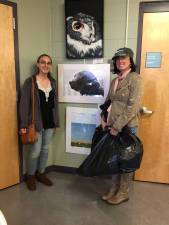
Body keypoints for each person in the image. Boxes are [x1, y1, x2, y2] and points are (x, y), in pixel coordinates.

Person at [101, 47, 143, 205]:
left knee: (126, 160)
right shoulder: (115, 80)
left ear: (131, 60)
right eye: (118, 58)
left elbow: (132, 108)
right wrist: (103, 118)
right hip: (112, 125)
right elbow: (108, 101)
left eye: (124, 58)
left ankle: (123, 192)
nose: (120, 61)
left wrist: (117, 126)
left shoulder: (136, 80)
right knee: (114, 159)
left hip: (127, 127)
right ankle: (114, 187)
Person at [19, 54, 59, 191]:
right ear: (38, 64)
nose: (46, 65)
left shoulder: (53, 82)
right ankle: (31, 176)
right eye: (43, 62)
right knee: (35, 151)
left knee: (45, 149)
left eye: (48, 63)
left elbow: (55, 104)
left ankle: (40, 173)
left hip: (49, 122)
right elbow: (23, 105)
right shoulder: (30, 82)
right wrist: (23, 125)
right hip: (35, 123)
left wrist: (56, 122)